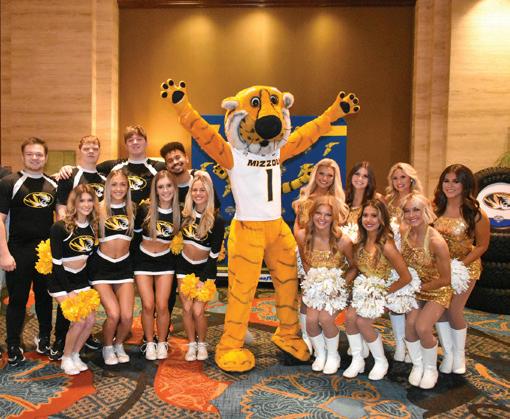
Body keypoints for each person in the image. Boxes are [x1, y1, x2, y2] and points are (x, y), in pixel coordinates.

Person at [0, 137, 57, 366]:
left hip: (45, 253)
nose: (35, 158)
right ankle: (13, 343)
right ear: (23, 156)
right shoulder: (9, 183)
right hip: (18, 251)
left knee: (45, 298)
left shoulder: (53, 184)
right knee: (17, 300)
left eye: (39, 154)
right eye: (30, 154)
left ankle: (44, 337)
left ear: (45, 157)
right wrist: (4, 254)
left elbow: (62, 218)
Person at [343, 200, 411, 380]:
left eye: (374, 215)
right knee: (349, 319)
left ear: (382, 219)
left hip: (385, 292)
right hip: (365, 291)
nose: (369, 219)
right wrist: (343, 286)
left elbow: (406, 277)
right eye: (365, 215)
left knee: (363, 323)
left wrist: (382, 293)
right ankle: (358, 359)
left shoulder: (386, 245)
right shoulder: (360, 242)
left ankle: (381, 361)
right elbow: (357, 268)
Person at [51, 135, 105, 360]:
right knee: (69, 303)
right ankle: (60, 340)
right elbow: (61, 205)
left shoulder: (103, 178)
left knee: (86, 307)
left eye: (95, 147)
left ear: (99, 151)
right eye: (87, 147)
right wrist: (70, 229)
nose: (91, 151)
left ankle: (83, 338)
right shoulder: (69, 174)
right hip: (70, 239)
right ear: (80, 150)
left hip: (89, 242)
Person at [433, 164, 490, 374]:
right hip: (438, 268)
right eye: (446, 181)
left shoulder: (476, 213)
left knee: (454, 310)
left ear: (465, 185)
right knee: (439, 310)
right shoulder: (434, 208)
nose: (449, 185)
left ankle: (459, 356)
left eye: (455, 181)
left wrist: (460, 265)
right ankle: (448, 354)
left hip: (464, 267)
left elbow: (482, 245)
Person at [292, 158, 348, 354]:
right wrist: (304, 252)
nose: (325, 178)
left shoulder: (337, 201)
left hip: (328, 255)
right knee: (307, 296)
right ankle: (307, 337)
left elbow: (338, 231)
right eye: (321, 174)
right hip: (304, 252)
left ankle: (325, 334)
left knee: (326, 295)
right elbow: (297, 227)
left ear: (334, 178)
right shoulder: (305, 198)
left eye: (329, 175)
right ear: (315, 174)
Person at [295, 195, 356, 374]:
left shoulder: (343, 241)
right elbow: (305, 261)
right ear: (312, 214)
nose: (322, 218)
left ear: (334, 217)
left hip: (339, 288)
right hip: (316, 287)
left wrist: (339, 286)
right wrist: (313, 282)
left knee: (326, 319)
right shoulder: (303, 236)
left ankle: (333, 355)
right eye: (318, 213)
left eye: (328, 215)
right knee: (311, 321)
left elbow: (355, 267)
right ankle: (321, 354)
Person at [401, 193, 451, 389]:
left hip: (438, 290)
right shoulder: (405, 233)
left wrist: (418, 287)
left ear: (426, 211)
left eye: (416, 210)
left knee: (422, 327)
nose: (411, 215)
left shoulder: (436, 242)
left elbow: (446, 279)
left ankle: (430, 368)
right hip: (415, 289)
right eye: (407, 210)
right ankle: (418, 364)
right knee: (409, 326)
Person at [49, 184, 99, 375]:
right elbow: (56, 264)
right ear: (74, 203)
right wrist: (69, 291)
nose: (86, 204)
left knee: (90, 320)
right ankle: (66, 357)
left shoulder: (93, 227)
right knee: (79, 320)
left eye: (89, 200)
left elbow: (89, 260)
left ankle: (75, 354)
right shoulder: (60, 227)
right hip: (61, 282)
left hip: (81, 280)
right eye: (81, 200)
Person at [88, 169, 135, 365]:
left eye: (122, 184)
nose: (118, 188)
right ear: (107, 186)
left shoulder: (133, 209)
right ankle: (107, 346)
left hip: (124, 268)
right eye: (114, 184)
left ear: (128, 187)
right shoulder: (97, 209)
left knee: (127, 316)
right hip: (101, 269)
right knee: (114, 314)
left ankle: (118, 344)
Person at [177, 171, 225, 361]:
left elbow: (214, 255)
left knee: (198, 311)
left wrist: (203, 279)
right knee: (187, 309)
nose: (198, 193)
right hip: (183, 268)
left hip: (205, 269)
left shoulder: (217, 220)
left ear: (209, 193)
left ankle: (202, 344)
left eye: (202, 190)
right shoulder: (185, 216)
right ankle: (191, 344)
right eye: (195, 190)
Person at [134, 170, 180, 360]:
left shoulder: (180, 212)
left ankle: (162, 342)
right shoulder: (145, 209)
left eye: (168, 186)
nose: (165, 190)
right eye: (161, 187)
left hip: (165, 262)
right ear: (155, 189)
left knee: (162, 305)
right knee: (148, 305)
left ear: (174, 188)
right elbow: (135, 237)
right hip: (143, 261)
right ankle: (149, 342)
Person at [59, 126, 165, 205]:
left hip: (147, 222)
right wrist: (67, 169)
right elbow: (88, 168)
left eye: (139, 139)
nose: (135, 142)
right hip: (119, 221)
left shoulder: (159, 167)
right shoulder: (114, 166)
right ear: (126, 145)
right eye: (130, 140)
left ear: (146, 142)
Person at [384, 162, 423, 363]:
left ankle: (411, 344)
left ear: (411, 179)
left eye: (403, 177)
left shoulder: (419, 201)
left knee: (411, 303)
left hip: (413, 257)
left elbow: (426, 229)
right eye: (395, 178)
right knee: (395, 301)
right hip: (392, 258)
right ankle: (400, 344)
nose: (399, 182)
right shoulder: (387, 202)